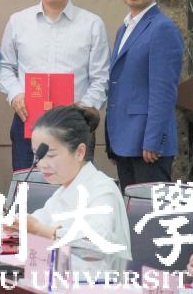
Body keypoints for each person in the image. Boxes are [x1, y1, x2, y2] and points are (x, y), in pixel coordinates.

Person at [0, 0, 110, 171]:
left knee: (75, 188)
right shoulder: (18, 21)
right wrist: (16, 95)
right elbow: (5, 67)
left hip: (75, 126)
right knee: (29, 187)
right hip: (28, 121)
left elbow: (101, 78)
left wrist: (83, 109)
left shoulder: (91, 24)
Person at [13, 105, 131, 260]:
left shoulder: (103, 190)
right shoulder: (63, 190)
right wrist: (14, 223)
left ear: (79, 152)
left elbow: (96, 243)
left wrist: (41, 230)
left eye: (51, 155)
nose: (41, 164)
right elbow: (38, 220)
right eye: (38, 156)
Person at [106, 0, 183, 190]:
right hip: (125, 140)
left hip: (147, 146)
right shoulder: (124, 28)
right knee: (131, 208)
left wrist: (153, 140)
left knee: (151, 210)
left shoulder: (162, 28)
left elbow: (164, 90)